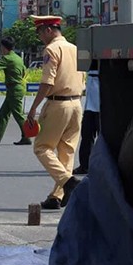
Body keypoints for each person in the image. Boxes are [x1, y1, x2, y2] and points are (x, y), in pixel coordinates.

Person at [27, 15, 86, 210]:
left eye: (40, 33)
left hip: (58, 105)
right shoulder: (75, 49)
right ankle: (57, 197)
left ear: (48, 30)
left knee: (41, 147)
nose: (40, 38)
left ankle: (67, 182)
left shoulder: (52, 49)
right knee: (66, 152)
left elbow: (47, 82)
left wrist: (34, 107)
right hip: (77, 104)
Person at [73, 61, 100, 175]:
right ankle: (85, 165)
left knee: (101, 137)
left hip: (101, 104)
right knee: (87, 134)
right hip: (90, 105)